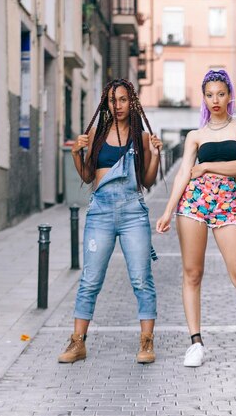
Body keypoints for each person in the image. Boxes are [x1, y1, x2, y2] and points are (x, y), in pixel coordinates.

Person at [155, 70, 236, 368]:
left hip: (227, 206)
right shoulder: (195, 136)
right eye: (209, 95)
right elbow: (182, 175)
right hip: (193, 204)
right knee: (192, 274)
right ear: (204, 98)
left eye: (221, 94)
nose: (215, 100)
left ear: (230, 95)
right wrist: (167, 211)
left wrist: (207, 167)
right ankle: (196, 343)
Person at [58, 79, 163, 364]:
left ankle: (147, 341)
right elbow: (88, 177)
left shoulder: (140, 138)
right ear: (107, 103)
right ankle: (78, 342)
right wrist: (75, 154)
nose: (118, 106)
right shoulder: (97, 135)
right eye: (113, 100)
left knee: (142, 279)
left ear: (133, 103)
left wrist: (154, 156)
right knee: (90, 280)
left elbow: (148, 181)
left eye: (123, 100)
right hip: (100, 212)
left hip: (133, 212)